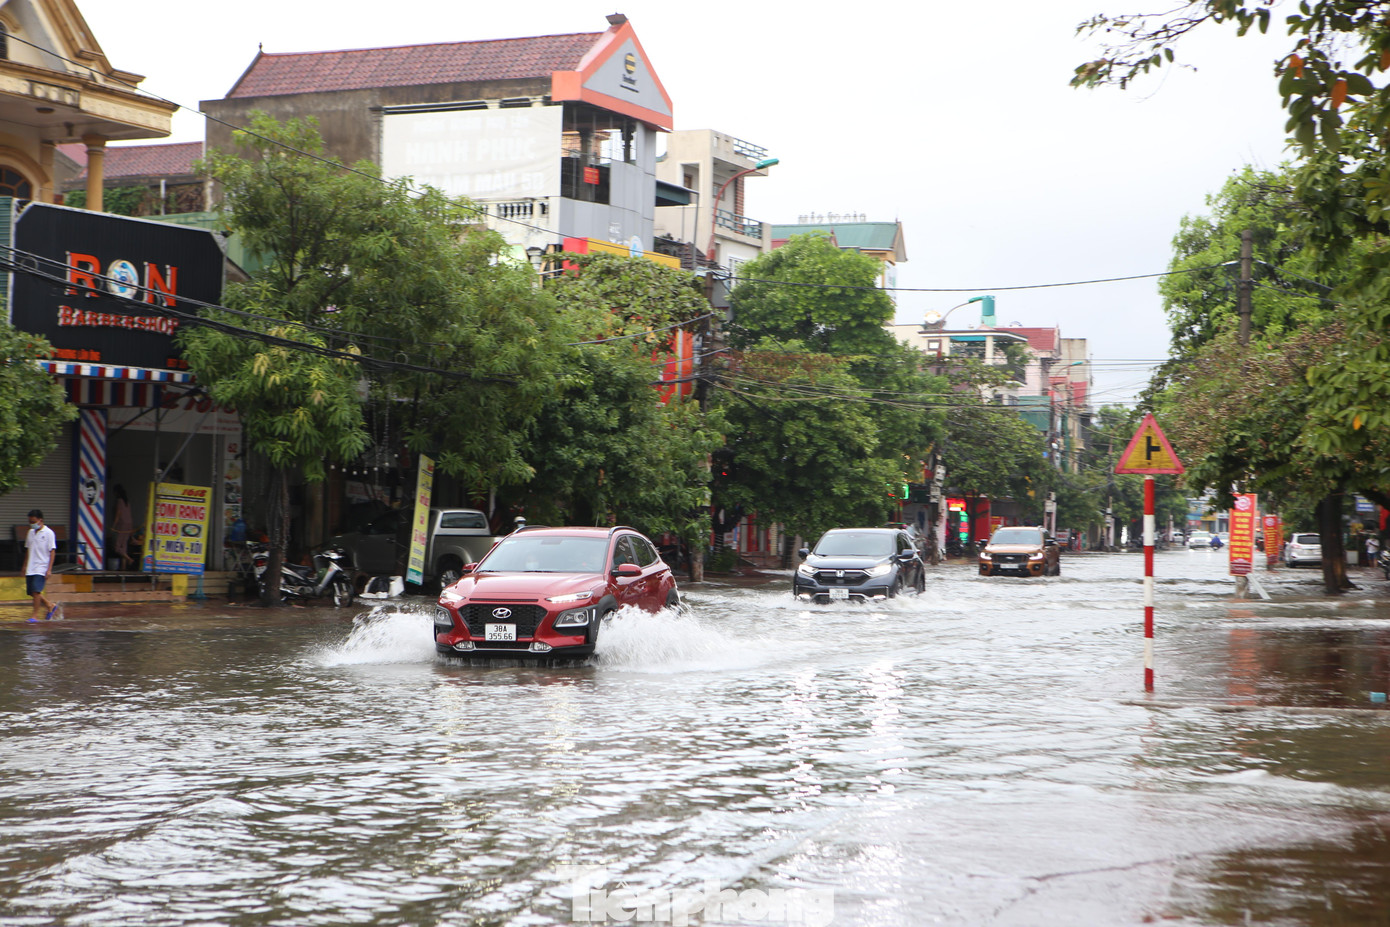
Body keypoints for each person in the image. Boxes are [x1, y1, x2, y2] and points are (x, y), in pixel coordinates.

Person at [24, 509, 60, 622]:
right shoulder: (30, 532)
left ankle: (34, 616)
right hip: (31, 566)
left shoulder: (49, 533)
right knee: (31, 592)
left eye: (33, 521)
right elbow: (28, 549)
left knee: (36, 591)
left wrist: (49, 569)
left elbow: (52, 551)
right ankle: (50, 605)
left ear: (41, 520)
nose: (32, 524)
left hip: (42, 566)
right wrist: (24, 565)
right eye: (30, 522)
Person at [111, 484, 134, 570]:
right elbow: (129, 515)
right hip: (129, 524)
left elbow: (118, 515)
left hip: (122, 525)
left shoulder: (119, 501)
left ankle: (129, 559)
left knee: (117, 548)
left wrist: (113, 526)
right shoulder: (127, 502)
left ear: (116, 492)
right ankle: (123, 569)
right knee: (124, 547)